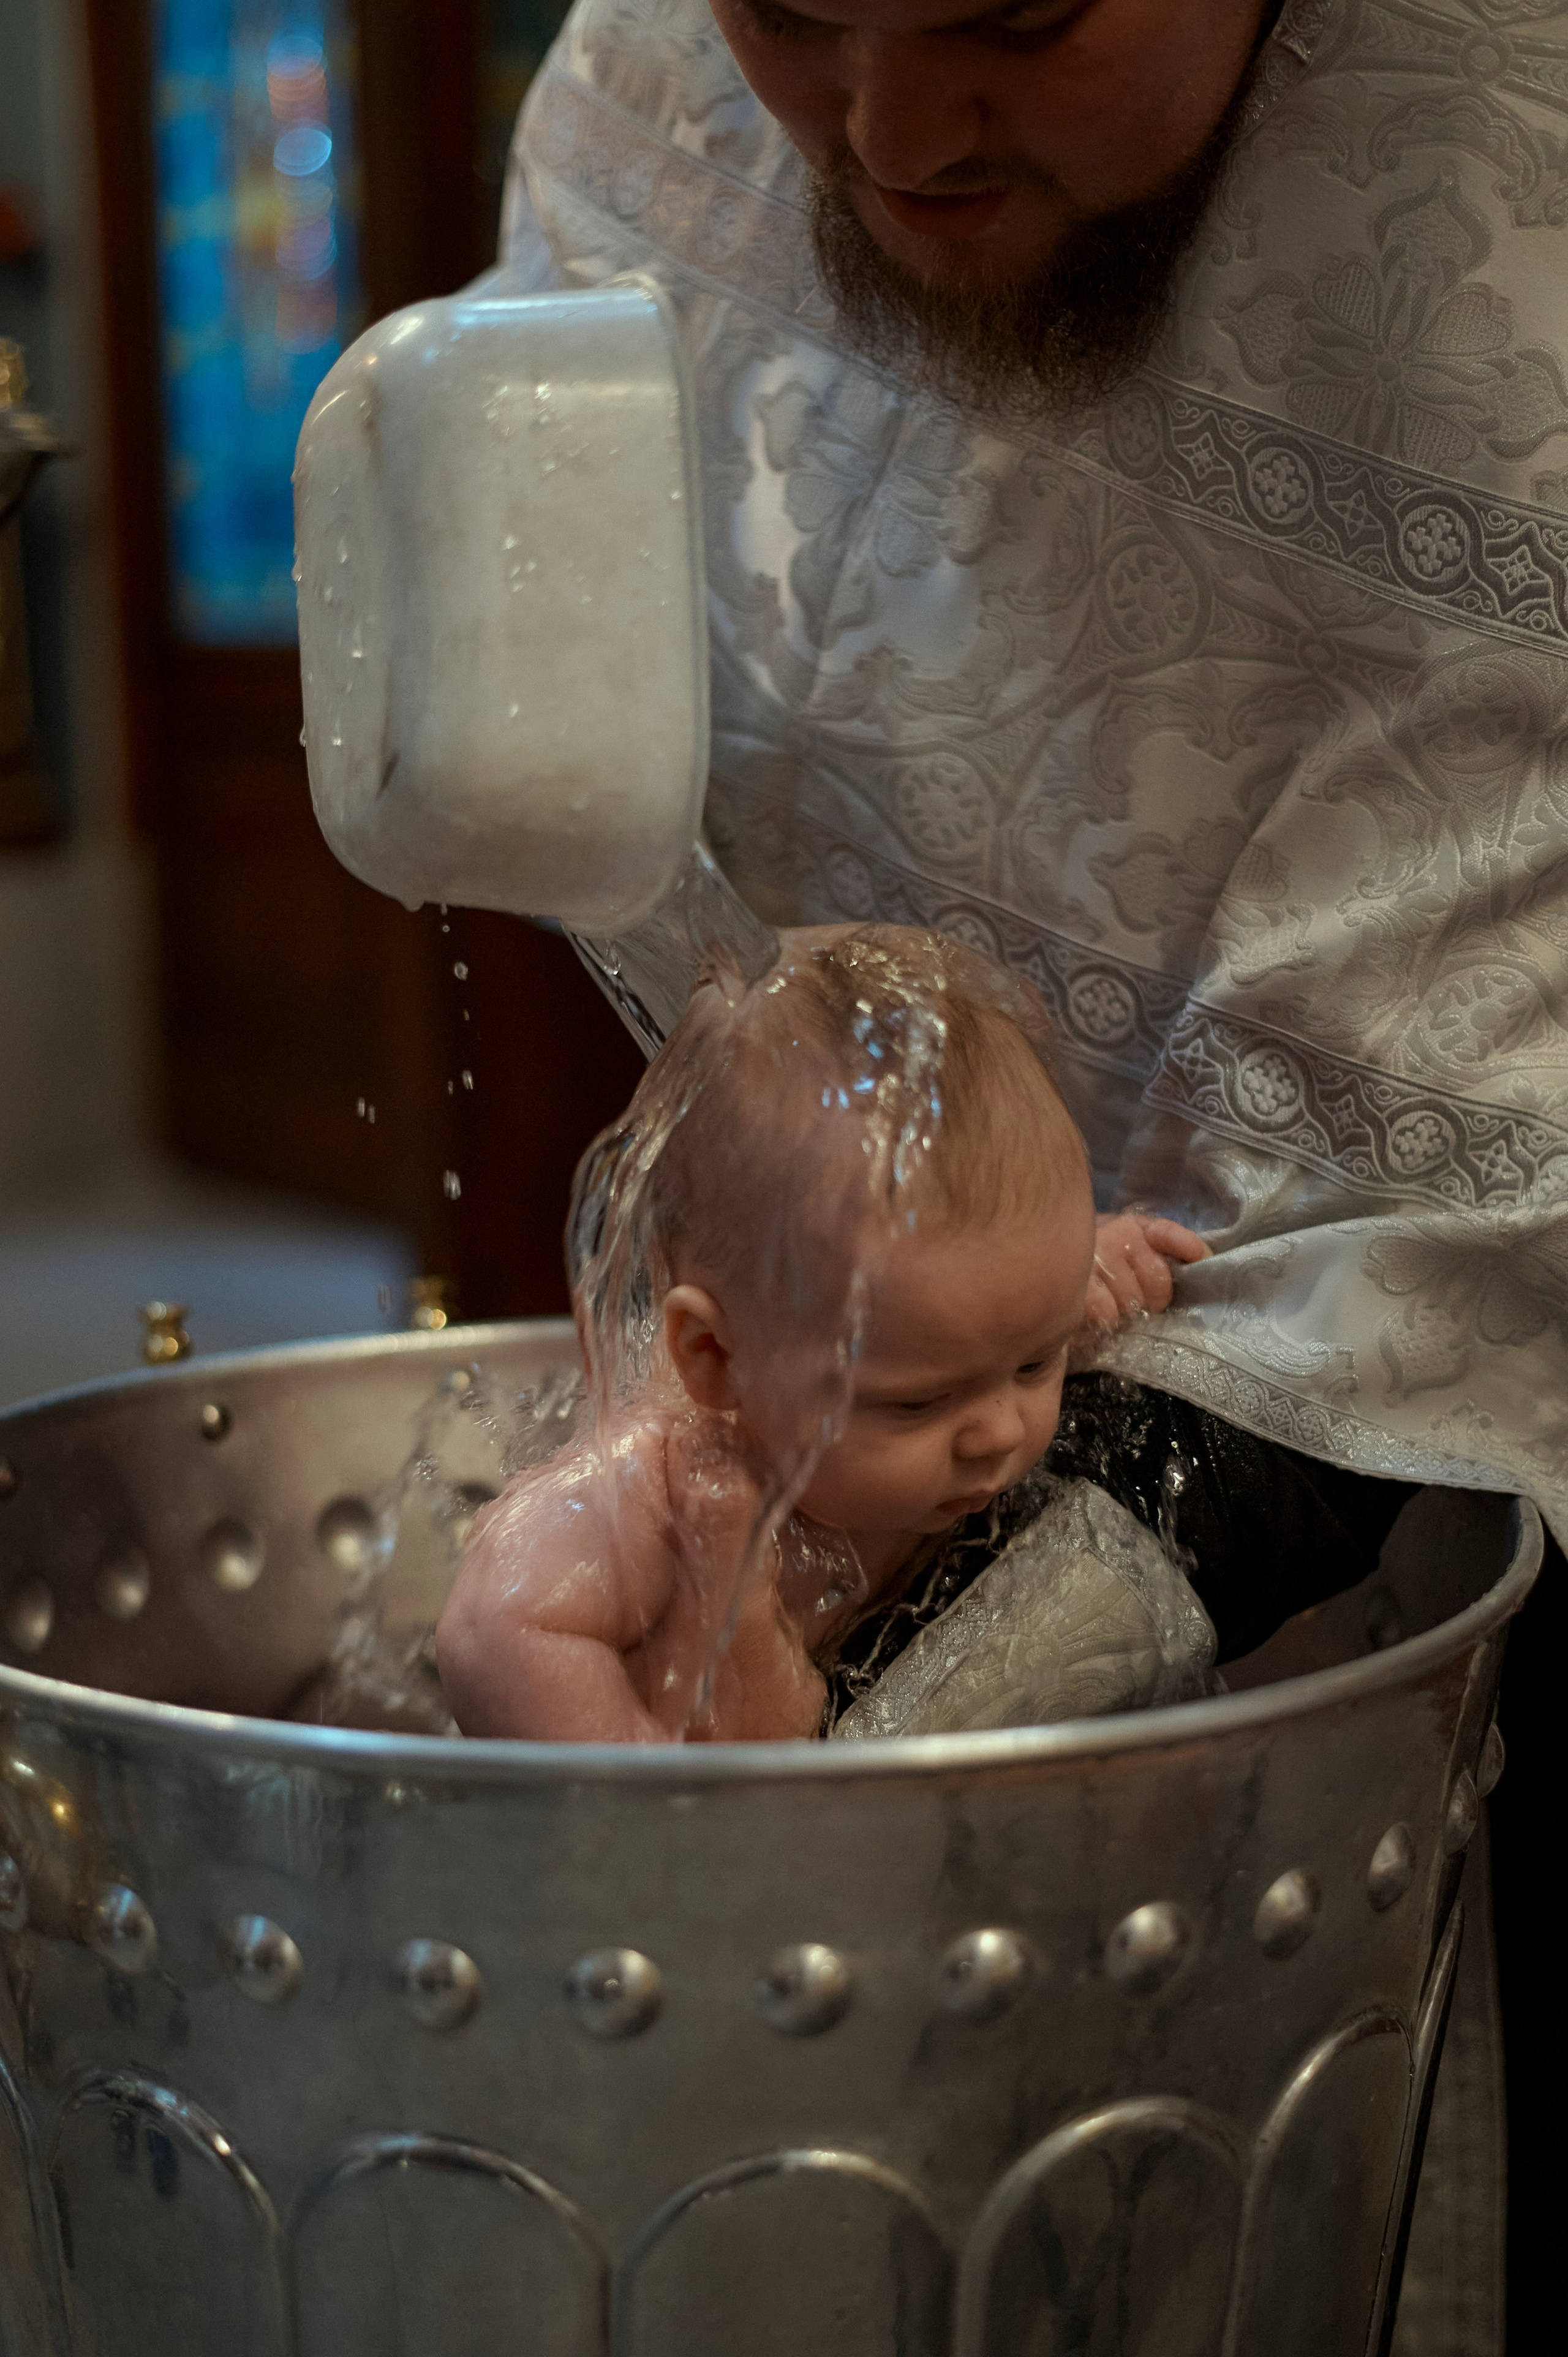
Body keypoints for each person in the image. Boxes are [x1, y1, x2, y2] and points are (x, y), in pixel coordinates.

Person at [495, 0, 1567, 2330]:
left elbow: (1437, 1150)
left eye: (1015, 14)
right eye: (784, 10)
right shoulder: (640, 98)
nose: (887, 138)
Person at [437, 928, 1212, 1741]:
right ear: (713, 1358)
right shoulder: (662, 1482)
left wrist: (1092, 1270)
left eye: (1035, 1361)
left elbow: (973, 1316)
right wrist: (637, 1798)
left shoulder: (924, 1336)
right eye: (917, 1405)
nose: (999, 1432)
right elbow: (492, 1624)